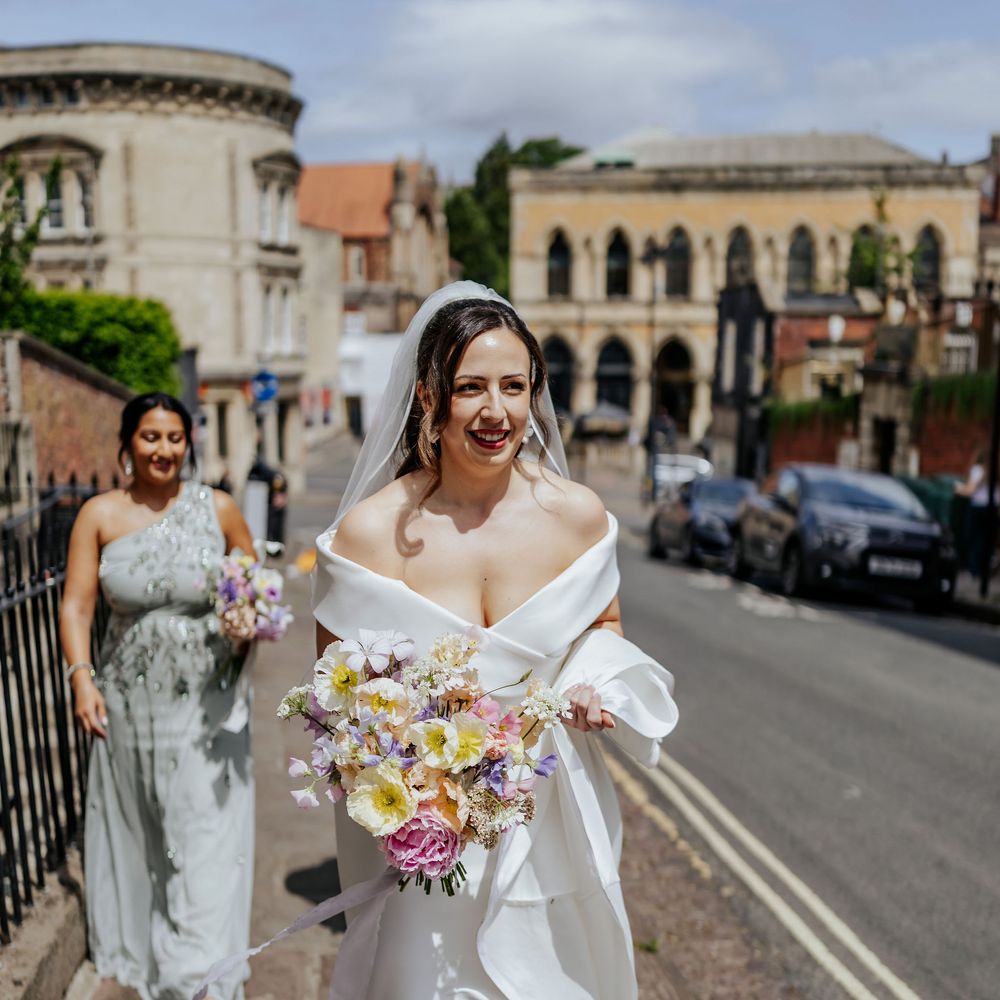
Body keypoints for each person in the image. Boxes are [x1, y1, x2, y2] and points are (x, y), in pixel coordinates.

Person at [312, 282, 678, 999]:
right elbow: (333, 699)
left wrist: (590, 688)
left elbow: (603, 631)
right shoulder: (369, 534)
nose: (496, 411)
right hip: (427, 839)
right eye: (471, 387)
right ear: (427, 396)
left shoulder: (577, 517)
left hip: (544, 821)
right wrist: (408, 778)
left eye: (514, 386)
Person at [60, 393, 257, 1000]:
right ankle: (148, 954)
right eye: (150, 437)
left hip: (207, 703)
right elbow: (77, 604)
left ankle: (197, 969)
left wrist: (244, 618)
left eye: (174, 438)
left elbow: (252, 587)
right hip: (128, 702)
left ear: (187, 444)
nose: (164, 449)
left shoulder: (218, 509)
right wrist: (80, 676)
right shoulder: (98, 514)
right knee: (146, 827)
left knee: (203, 828)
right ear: (127, 444)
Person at [956, 448, 996, 579]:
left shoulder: (979, 469)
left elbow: (970, 490)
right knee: (987, 540)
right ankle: (986, 569)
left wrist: (957, 488)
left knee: (974, 539)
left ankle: (975, 570)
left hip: (978, 508)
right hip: (993, 508)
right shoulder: (996, 468)